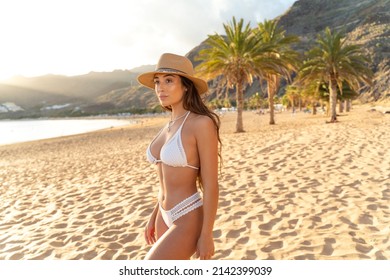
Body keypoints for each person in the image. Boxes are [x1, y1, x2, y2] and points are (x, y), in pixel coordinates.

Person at [137, 53, 221, 260]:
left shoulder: (201, 123)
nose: (160, 88)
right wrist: (154, 214)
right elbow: (164, 179)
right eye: (157, 82)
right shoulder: (168, 125)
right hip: (163, 214)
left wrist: (206, 234)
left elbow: (211, 185)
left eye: (168, 81)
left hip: (187, 215)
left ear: (185, 86)